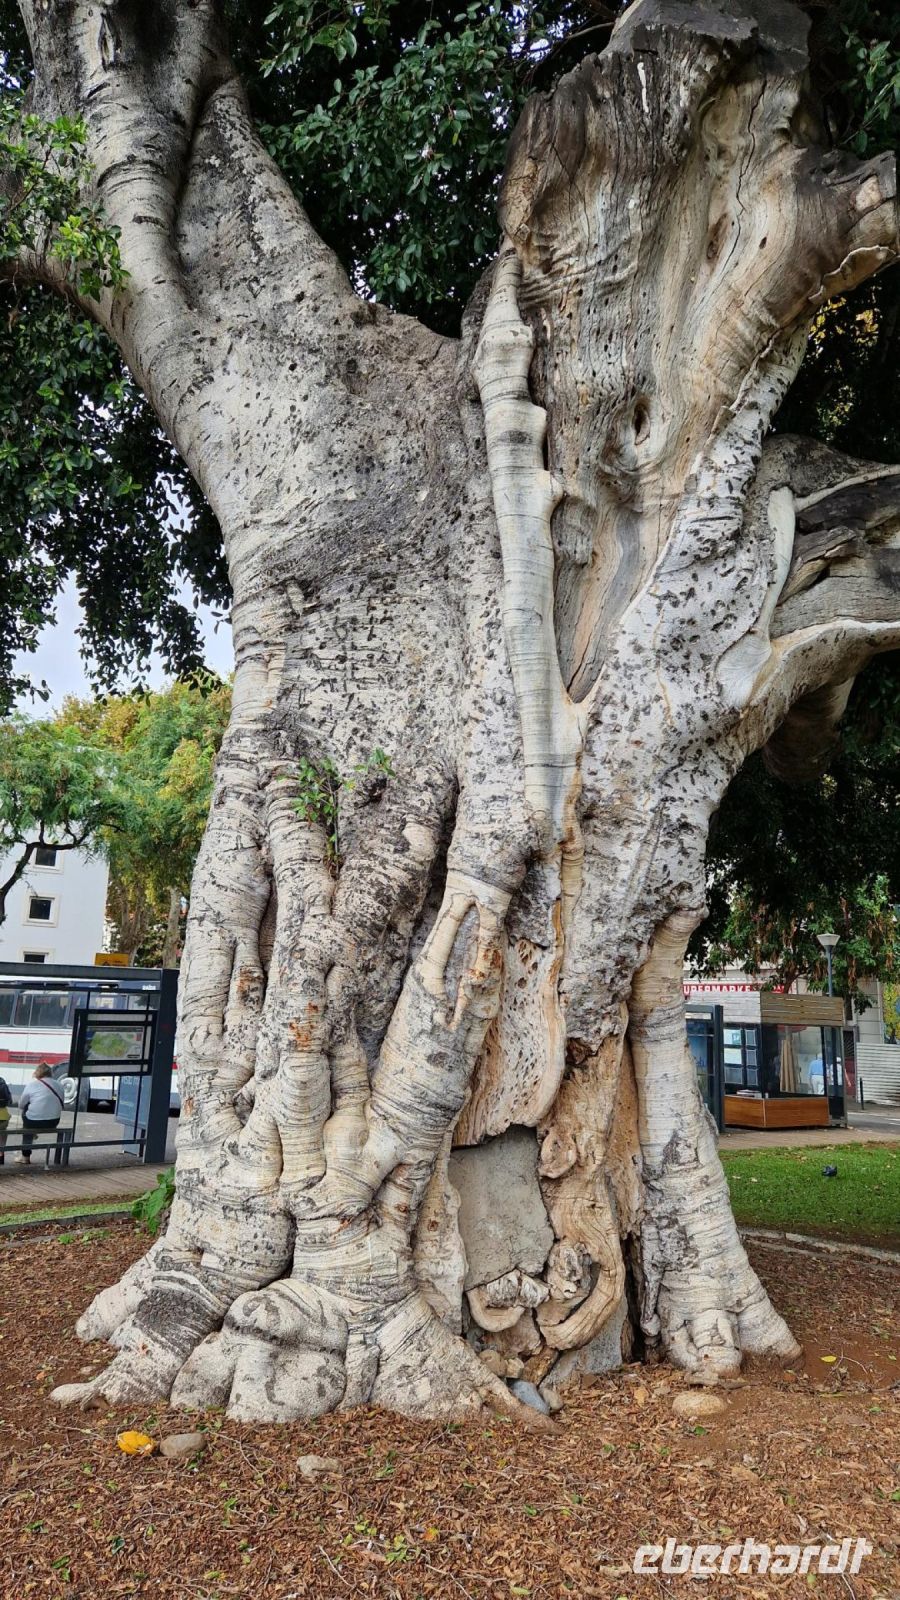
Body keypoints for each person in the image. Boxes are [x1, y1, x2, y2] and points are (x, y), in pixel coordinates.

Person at [16, 1062, 65, 1165]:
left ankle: (25, 1157)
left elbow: (21, 1105)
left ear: (37, 1073)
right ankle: (33, 1133)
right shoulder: (60, 1085)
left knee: (27, 1116)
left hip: (33, 1122)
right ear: (50, 1073)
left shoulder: (32, 1085)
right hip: (53, 1122)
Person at [0, 1073, 10, 1165]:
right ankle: (1, 1155)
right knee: (3, 1132)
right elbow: (9, 1100)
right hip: (3, 1117)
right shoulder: (2, 1083)